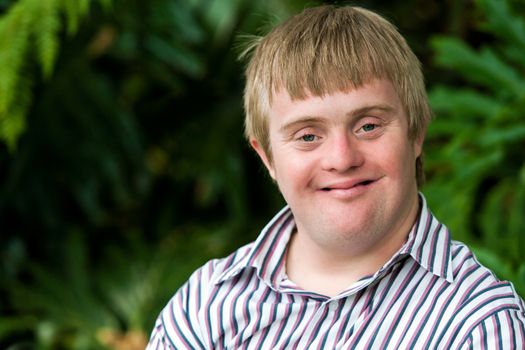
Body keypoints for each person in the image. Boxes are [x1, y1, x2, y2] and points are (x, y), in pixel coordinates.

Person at [147, 5, 525, 349]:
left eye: (368, 126)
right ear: (267, 158)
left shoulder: (479, 326)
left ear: (416, 133)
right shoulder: (206, 306)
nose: (341, 159)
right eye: (308, 136)